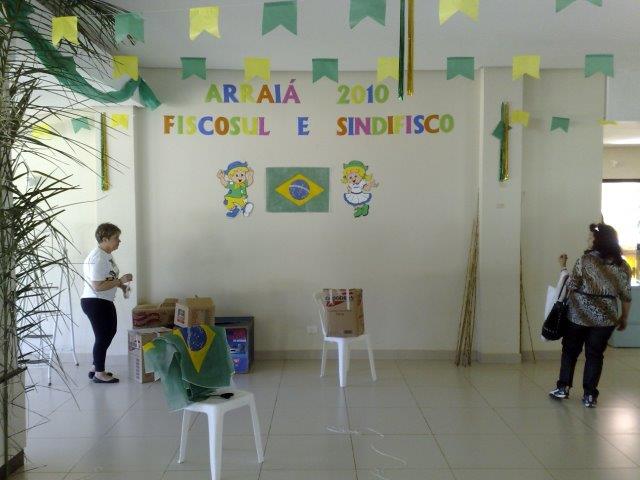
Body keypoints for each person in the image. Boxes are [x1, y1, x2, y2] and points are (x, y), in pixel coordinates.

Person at [549, 223, 632, 407]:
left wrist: (563, 267)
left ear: (598, 240)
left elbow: (572, 286)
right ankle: (589, 396)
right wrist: (624, 317)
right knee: (595, 355)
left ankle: (563, 388)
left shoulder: (585, 261)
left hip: (578, 316)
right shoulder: (623, 266)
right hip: (606, 319)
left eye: (590, 237)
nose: (588, 240)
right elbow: (626, 295)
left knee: (570, 351)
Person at [81, 223, 133, 384]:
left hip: (101, 301)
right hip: (96, 301)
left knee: (107, 333)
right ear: (104, 239)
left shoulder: (106, 255)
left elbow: (107, 279)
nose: (119, 241)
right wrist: (120, 281)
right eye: (116, 238)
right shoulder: (98, 258)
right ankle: (99, 373)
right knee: (104, 335)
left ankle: (96, 367)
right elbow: (97, 286)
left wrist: (121, 286)